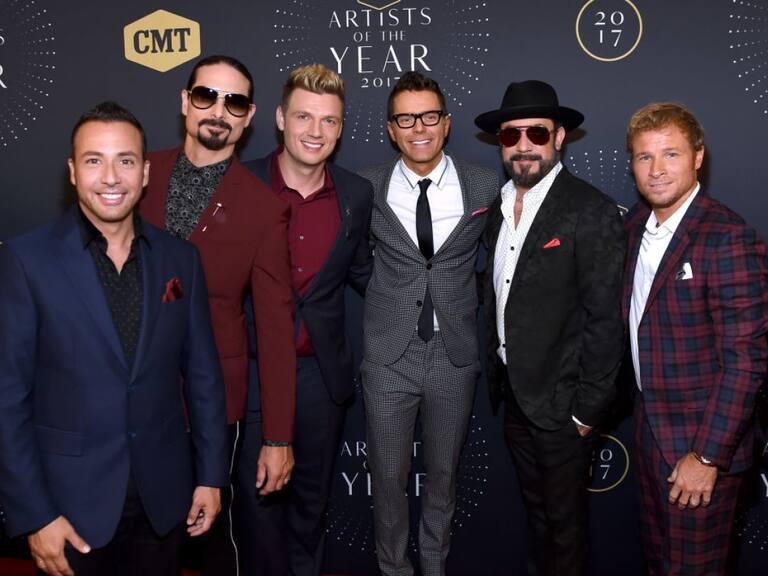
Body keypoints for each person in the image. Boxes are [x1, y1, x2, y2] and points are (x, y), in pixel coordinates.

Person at [0, 101, 228, 576]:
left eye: (124, 160)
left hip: (164, 503)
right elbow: (7, 399)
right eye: (93, 160)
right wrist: (35, 514)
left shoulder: (180, 259)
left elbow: (203, 377)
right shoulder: (27, 262)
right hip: (68, 508)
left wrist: (210, 476)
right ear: (72, 171)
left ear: (144, 172)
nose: (110, 177)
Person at [138, 55, 296, 574]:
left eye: (235, 102)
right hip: (127, 395)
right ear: (185, 102)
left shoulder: (264, 208)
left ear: (249, 117)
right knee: (136, 534)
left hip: (211, 407)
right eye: (207, 96)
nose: (219, 112)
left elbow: (275, 329)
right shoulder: (137, 173)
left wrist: (277, 438)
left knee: (212, 541)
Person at [475, 80, 625, 576]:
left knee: (566, 530)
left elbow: (605, 320)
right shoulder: (498, 209)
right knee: (538, 522)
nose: (523, 145)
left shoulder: (589, 209)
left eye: (536, 133)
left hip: (564, 407)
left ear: (559, 137)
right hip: (516, 398)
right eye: (510, 135)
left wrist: (585, 412)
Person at [234, 62, 373, 576]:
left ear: (340, 127)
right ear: (279, 119)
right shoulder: (239, 184)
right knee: (256, 509)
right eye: (304, 117)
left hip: (320, 375)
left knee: (310, 509)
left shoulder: (356, 194)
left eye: (329, 120)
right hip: (252, 374)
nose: (316, 131)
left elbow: (364, 273)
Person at [359, 71, 498, 576]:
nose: (419, 127)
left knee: (443, 477)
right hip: (388, 356)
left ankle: (435, 567)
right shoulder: (366, 186)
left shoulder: (483, 184)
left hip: (453, 354)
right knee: (387, 479)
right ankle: (393, 568)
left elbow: (500, 261)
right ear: (391, 129)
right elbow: (354, 260)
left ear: (446, 123)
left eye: (429, 116)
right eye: (405, 118)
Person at [623, 102, 768, 575]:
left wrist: (706, 456)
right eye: (645, 157)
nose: (657, 169)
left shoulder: (727, 238)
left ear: (698, 157)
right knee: (658, 564)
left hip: (701, 446)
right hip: (649, 433)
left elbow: (745, 361)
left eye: (671, 154)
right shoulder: (633, 228)